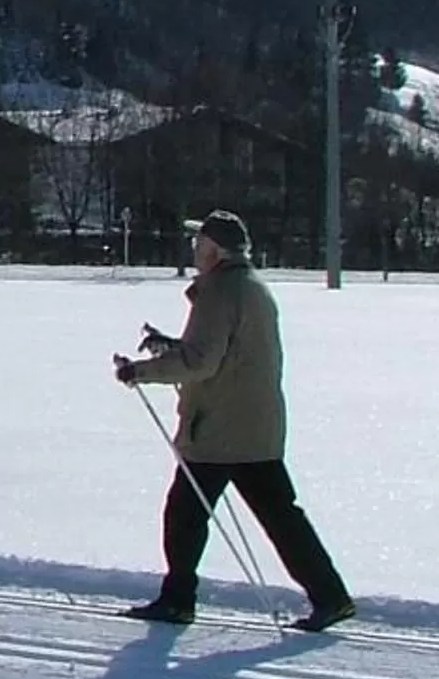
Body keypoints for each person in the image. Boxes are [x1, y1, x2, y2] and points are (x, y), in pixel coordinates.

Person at [112, 210, 355, 633]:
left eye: (199, 242)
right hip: (257, 427)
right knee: (282, 517)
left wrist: (140, 371)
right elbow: (224, 353)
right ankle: (331, 596)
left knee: (185, 515)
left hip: (217, 431)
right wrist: (172, 347)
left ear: (216, 250)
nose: (194, 249)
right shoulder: (251, 286)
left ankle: (178, 600)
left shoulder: (219, 292)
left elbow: (202, 362)